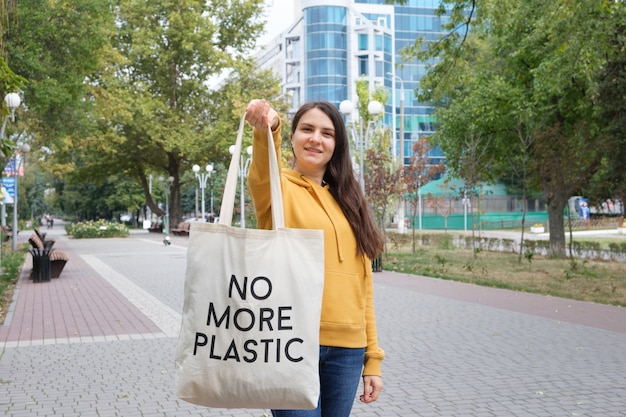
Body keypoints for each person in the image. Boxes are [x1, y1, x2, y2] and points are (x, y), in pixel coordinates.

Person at [245, 99, 385, 417]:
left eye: (327, 133)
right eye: (307, 129)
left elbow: (363, 288)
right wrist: (269, 128)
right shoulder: (276, 188)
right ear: (293, 137)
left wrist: (372, 359)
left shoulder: (350, 201)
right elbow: (264, 165)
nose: (315, 139)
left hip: (348, 349)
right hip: (289, 340)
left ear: (337, 144)